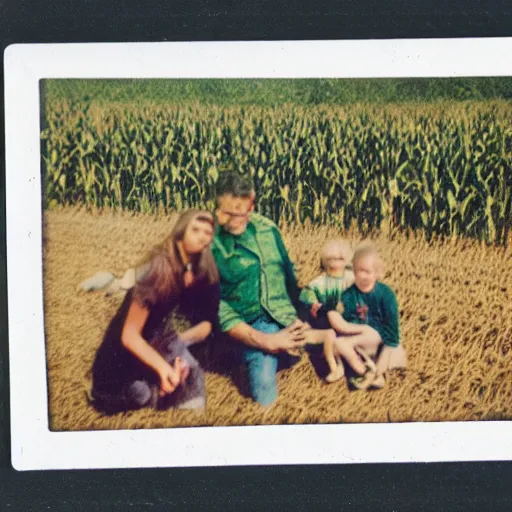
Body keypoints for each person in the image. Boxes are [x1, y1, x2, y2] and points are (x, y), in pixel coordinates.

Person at [90, 209, 220, 414]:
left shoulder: (190, 268)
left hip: (151, 340)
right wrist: (163, 367)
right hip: (117, 364)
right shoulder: (157, 270)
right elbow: (129, 335)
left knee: (190, 374)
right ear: (180, 232)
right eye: (195, 229)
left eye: (208, 232)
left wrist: (176, 359)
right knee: (142, 394)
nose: (202, 236)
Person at [211, 171, 312, 407]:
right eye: (227, 213)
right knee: (264, 385)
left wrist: (304, 312)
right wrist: (266, 341)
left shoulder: (268, 229)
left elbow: (288, 278)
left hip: (280, 313)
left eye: (240, 213)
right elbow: (216, 308)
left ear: (251, 205)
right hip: (246, 325)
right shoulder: (208, 242)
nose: (233, 221)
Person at [329, 243, 407, 390]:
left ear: (377, 273)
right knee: (336, 344)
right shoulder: (349, 295)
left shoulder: (386, 295)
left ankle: (375, 374)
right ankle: (363, 371)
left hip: (381, 343)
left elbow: (392, 336)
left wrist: (381, 364)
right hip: (361, 341)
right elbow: (349, 322)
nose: (362, 276)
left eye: (367, 272)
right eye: (358, 271)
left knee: (378, 343)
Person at [299, 239, 361, 383]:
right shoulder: (319, 282)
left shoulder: (350, 278)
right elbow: (307, 295)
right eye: (331, 259)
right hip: (325, 320)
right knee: (331, 333)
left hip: (347, 318)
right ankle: (336, 367)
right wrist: (312, 303)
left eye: (339, 259)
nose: (335, 262)